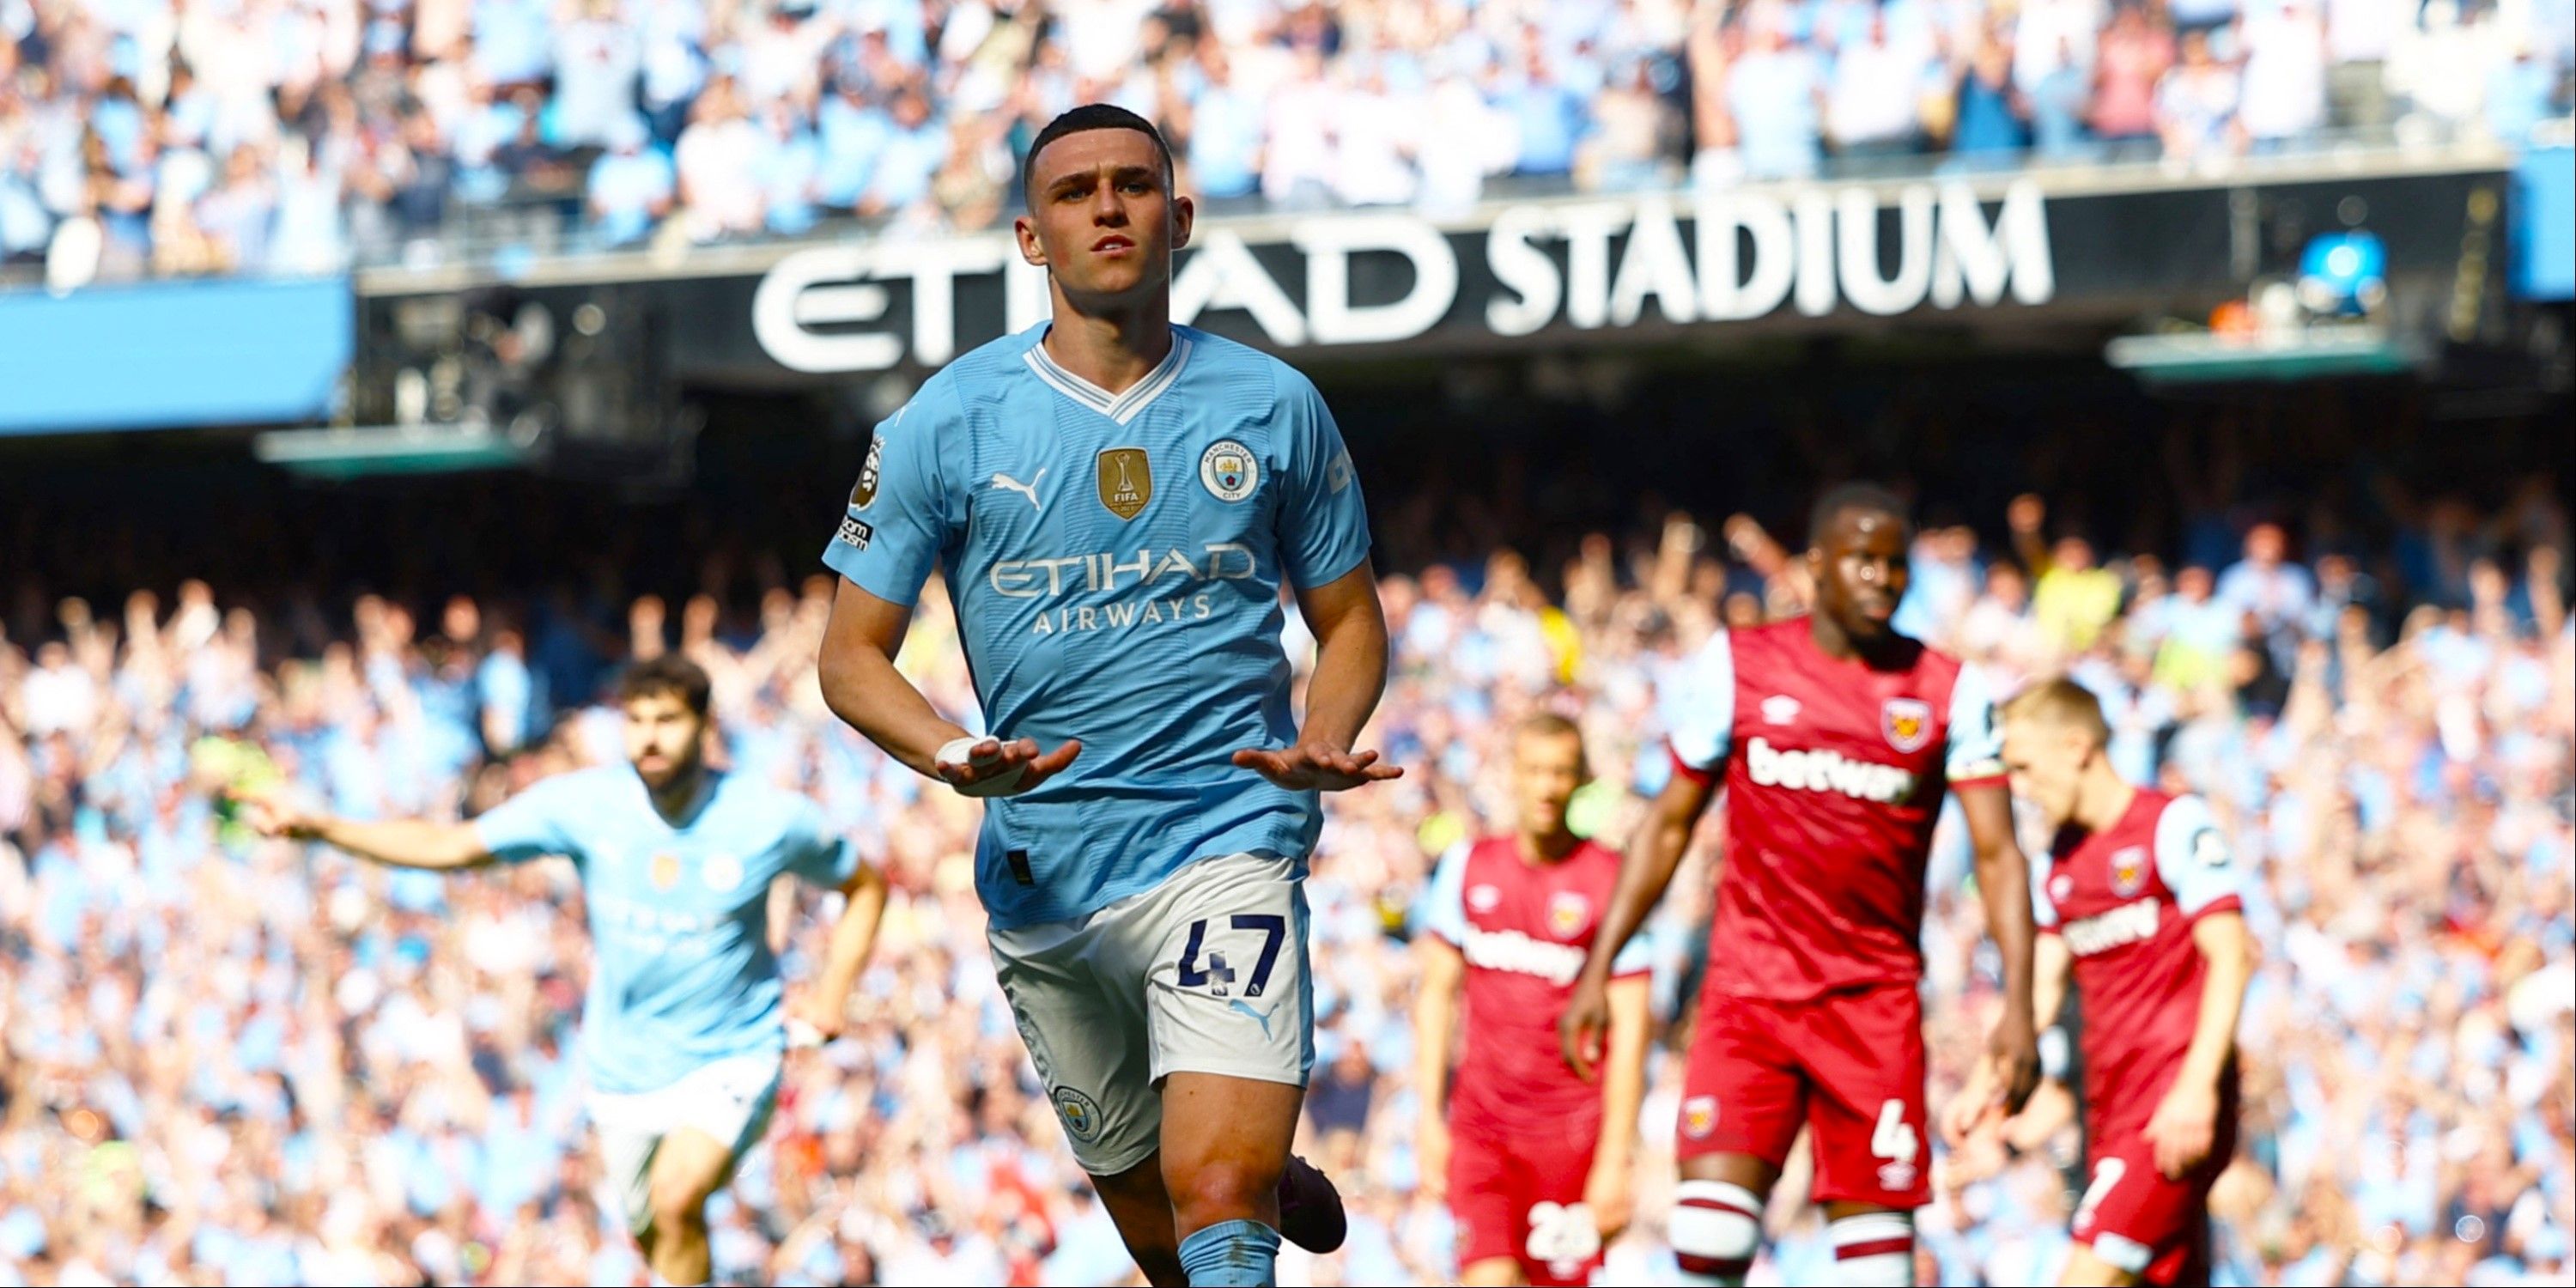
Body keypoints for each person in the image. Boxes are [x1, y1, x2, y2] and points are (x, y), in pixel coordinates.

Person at [813, 103, 1393, 1288]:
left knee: (1215, 1203)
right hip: (1046, 877)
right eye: (1076, 193)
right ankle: (1256, 1154)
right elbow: (849, 657)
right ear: (1032, 238)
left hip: (1224, 834)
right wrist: (948, 751)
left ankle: (1242, 1159)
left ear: (1177, 218)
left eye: (1133, 186)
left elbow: (1349, 623)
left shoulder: (1273, 405)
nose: (1108, 207)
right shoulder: (944, 423)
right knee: (1168, 1245)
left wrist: (1325, 735)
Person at [232, 655, 890, 1288]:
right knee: (659, 1237)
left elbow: (864, 886)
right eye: (637, 721)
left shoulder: (765, 820)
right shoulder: (586, 806)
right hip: (624, 1072)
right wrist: (325, 828)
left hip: (733, 1055)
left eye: (667, 721)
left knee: (677, 1195)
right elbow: (454, 846)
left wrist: (832, 994)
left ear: (703, 726)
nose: (649, 739)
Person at [1559, 482, 2043, 1287]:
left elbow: (1999, 855)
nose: (1880, 579)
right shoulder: (1739, 667)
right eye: (1861, 561)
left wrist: (2018, 1009)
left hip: (1872, 1007)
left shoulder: (1949, 691)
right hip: (1750, 1000)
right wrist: (1599, 965)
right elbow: (1668, 824)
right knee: (1708, 1245)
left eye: (1895, 564)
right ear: (1816, 566)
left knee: (1877, 1273)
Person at [1951, 677, 2255, 1286]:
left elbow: (2232, 955)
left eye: (2027, 769)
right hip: (2110, 1111)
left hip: (2170, 1104)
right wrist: (1983, 1084)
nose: (2023, 789)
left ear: (2075, 747)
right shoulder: (2057, 867)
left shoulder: (2171, 823)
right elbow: (2038, 994)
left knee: (2086, 1277)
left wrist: (2196, 1088)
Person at [1413, 714, 1652, 1286]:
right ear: (1512, 776)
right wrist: (1427, 1118)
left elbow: (1632, 1028)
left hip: (1570, 1136)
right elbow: (1436, 995)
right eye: (1535, 771)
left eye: (1561, 772)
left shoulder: (1612, 882)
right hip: (1482, 1130)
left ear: (1580, 781)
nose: (1547, 786)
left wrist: (1616, 1157)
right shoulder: (1468, 868)